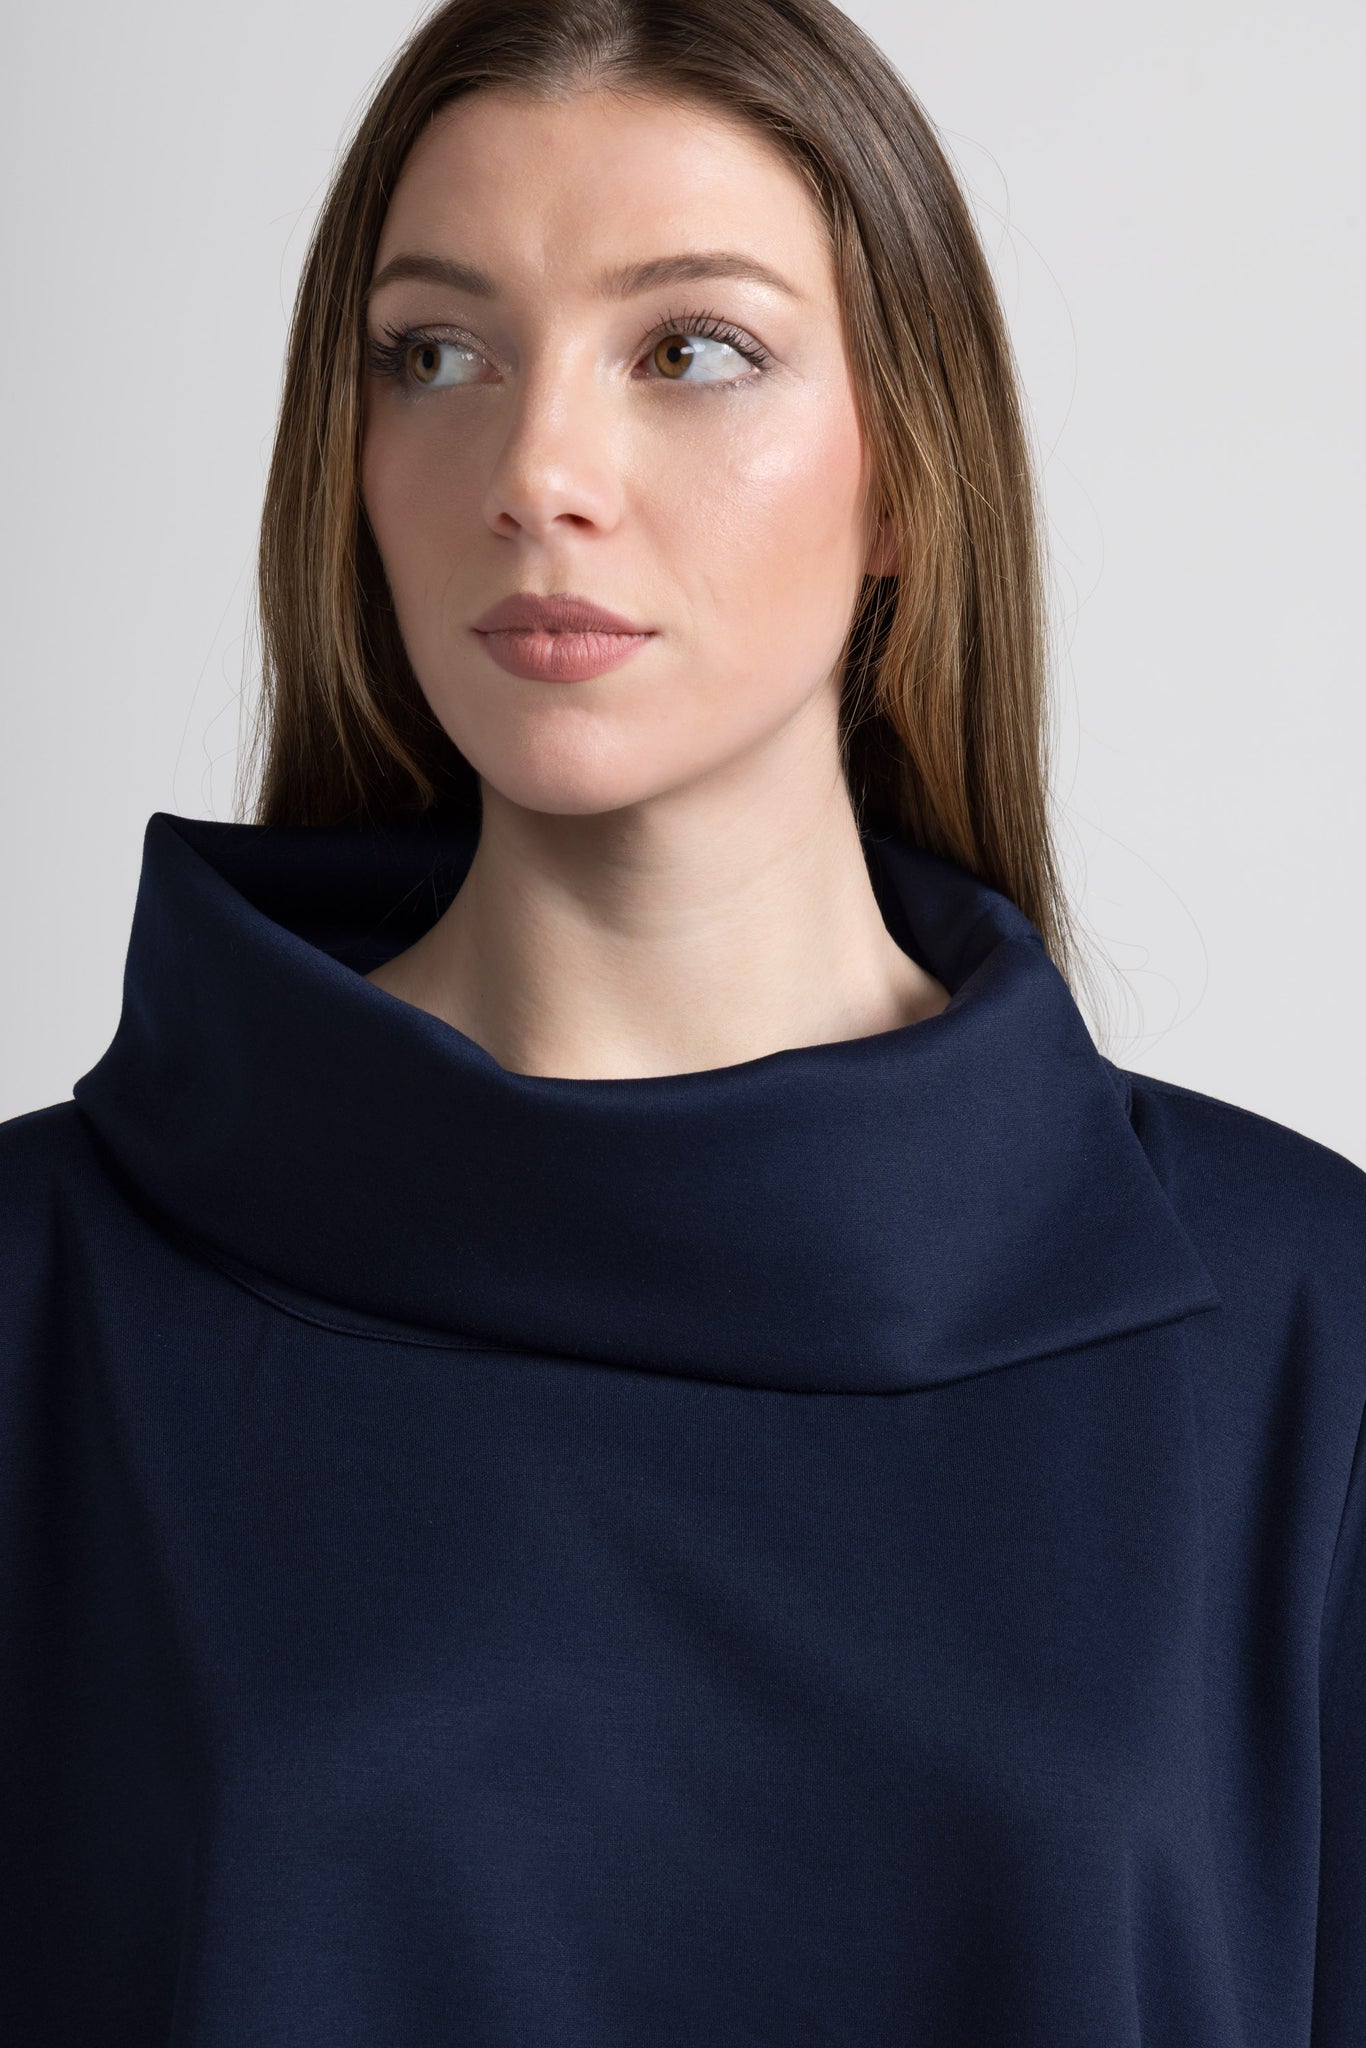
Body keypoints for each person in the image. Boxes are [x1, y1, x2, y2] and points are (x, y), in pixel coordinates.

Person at [2, 1, 1362, 2042]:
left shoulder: (1299, 1331)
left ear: (904, 474)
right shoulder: (44, 1300)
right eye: (434, 354)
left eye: (691, 349)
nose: (537, 472)